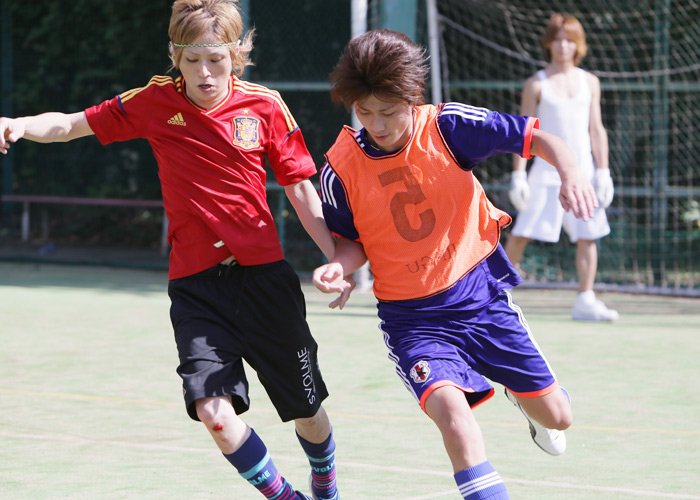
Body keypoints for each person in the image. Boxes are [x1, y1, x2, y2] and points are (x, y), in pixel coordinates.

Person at [0, 1, 343, 499]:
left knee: (307, 412)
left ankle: (325, 483)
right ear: (174, 56)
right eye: (192, 60)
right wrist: (19, 124)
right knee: (215, 416)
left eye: (216, 60)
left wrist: (335, 257)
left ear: (236, 56)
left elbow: (300, 188)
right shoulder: (154, 101)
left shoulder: (265, 106)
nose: (204, 73)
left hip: (265, 280)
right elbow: (72, 124)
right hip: (196, 288)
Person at [312, 29, 598, 499]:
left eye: (389, 111)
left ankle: (524, 399)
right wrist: (338, 267)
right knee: (454, 418)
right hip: (414, 320)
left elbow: (540, 138)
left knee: (558, 417)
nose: (376, 124)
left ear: (412, 98)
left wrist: (571, 174)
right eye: (365, 112)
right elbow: (352, 242)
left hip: (480, 298)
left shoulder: (448, 127)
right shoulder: (339, 169)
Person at [504, 13, 618, 322]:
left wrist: (603, 172)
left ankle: (585, 299)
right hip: (544, 173)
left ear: (578, 44)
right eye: (557, 39)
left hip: (583, 173)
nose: (563, 45)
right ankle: (495, 293)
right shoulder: (536, 84)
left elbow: (596, 129)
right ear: (548, 43)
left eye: (569, 40)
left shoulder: (590, 82)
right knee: (521, 234)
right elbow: (523, 133)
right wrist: (518, 175)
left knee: (588, 236)